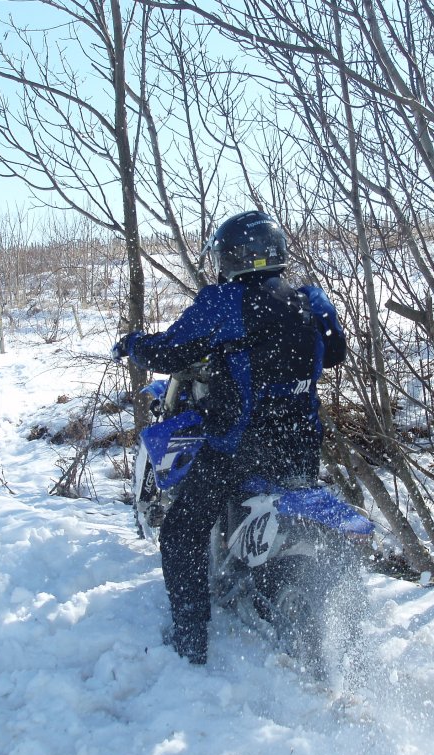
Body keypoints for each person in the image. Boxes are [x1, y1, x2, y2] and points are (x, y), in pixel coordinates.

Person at [111, 210, 346, 664]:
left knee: (181, 533)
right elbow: (334, 352)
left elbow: (169, 349)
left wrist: (133, 344)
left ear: (235, 257)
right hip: (299, 444)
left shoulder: (225, 300)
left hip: (240, 447)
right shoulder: (310, 298)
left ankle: (189, 643)